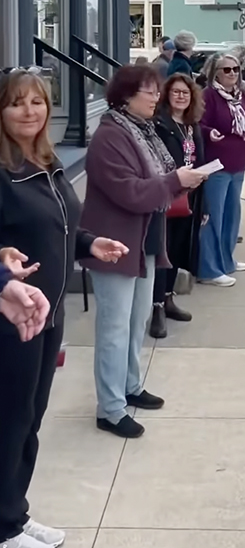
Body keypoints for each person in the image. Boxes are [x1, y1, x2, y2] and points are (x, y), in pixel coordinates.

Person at [0, 70, 128, 548]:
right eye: (16, 103)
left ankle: (14, 512)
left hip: (47, 317)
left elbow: (60, 228)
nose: (29, 112)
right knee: (9, 423)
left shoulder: (46, 162)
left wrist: (90, 244)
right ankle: (4, 527)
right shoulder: (4, 173)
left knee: (29, 420)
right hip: (11, 320)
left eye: (37, 102)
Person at [80, 64, 207, 439]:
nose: (156, 97)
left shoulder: (145, 131)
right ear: (125, 97)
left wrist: (181, 182)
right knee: (115, 327)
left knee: (136, 322)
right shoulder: (109, 137)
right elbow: (130, 192)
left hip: (145, 238)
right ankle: (110, 408)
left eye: (156, 90)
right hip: (115, 244)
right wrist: (175, 180)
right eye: (149, 91)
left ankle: (130, 386)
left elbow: (158, 182)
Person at [199, 53, 245, 287]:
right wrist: (209, 133)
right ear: (215, 73)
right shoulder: (208, 96)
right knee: (213, 218)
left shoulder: (242, 96)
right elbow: (197, 123)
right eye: (226, 69)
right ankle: (209, 270)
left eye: (236, 69)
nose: (232, 74)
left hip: (238, 164)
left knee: (232, 216)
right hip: (216, 165)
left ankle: (226, 261)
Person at [150, 73, 207, 339]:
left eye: (186, 92)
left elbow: (201, 164)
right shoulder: (158, 125)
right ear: (167, 95)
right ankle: (156, 307)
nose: (181, 97)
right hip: (166, 196)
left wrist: (203, 204)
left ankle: (169, 297)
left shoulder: (192, 125)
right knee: (163, 251)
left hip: (190, 198)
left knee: (178, 251)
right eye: (176, 92)